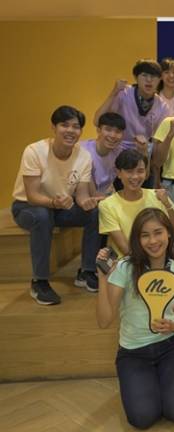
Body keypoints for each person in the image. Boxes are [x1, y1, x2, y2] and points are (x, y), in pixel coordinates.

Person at [96, 208, 174, 429]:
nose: (153, 241)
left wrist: (173, 326)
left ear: (168, 233)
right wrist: (102, 279)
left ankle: (172, 380)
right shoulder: (125, 268)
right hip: (134, 353)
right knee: (142, 418)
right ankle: (156, 384)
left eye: (158, 232)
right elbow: (104, 321)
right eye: (145, 235)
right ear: (137, 239)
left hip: (171, 347)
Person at [12, 106, 101, 304]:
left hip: (60, 208)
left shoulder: (84, 156)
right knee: (42, 215)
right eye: (64, 125)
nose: (70, 130)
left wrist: (88, 202)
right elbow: (32, 196)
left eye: (76, 127)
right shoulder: (34, 151)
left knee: (95, 213)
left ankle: (87, 271)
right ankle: (40, 282)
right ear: (54, 127)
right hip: (27, 207)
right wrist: (53, 202)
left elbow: (81, 194)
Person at [98, 149, 174, 257]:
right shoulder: (107, 205)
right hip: (128, 262)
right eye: (129, 171)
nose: (135, 176)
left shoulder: (158, 196)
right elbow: (125, 249)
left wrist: (167, 205)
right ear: (118, 173)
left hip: (160, 259)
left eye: (140, 171)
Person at [93, 59, 169, 153]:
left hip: (142, 151)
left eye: (153, 76)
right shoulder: (123, 93)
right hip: (117, 149)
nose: (149, 80)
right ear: (136, 77)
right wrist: (114, 92)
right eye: (144, 75)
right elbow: (97, 121)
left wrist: (146, 153)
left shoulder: (163, 107)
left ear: (160, 79)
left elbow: (157, 141)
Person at [81, 112, 126, 196]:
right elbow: (92, 193)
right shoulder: (83, 150)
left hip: (105, 195)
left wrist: (143, 150)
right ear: (98, 130)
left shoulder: (119, 152)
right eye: (108, 130)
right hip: (83, 197)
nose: (113, 135)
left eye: (118, 131)